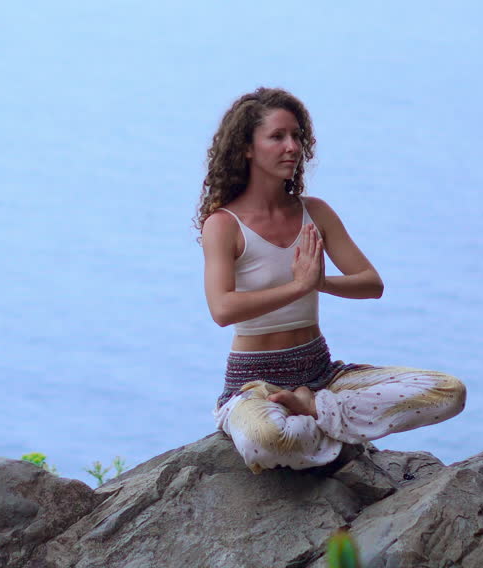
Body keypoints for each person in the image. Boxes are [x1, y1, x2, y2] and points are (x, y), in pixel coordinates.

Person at [198, 88, 465, 473]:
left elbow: (371, 283)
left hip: (323, 376)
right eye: (277, 137)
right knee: (268, 441)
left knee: (448, 392)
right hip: (252, 383)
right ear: (247, 148)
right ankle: (320, 422)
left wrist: (321, 282)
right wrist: (298, 287)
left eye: (297, 136)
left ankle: (314, 410)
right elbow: (222, 309)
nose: (292, 147)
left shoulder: (315, 212)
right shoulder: (223, 225)